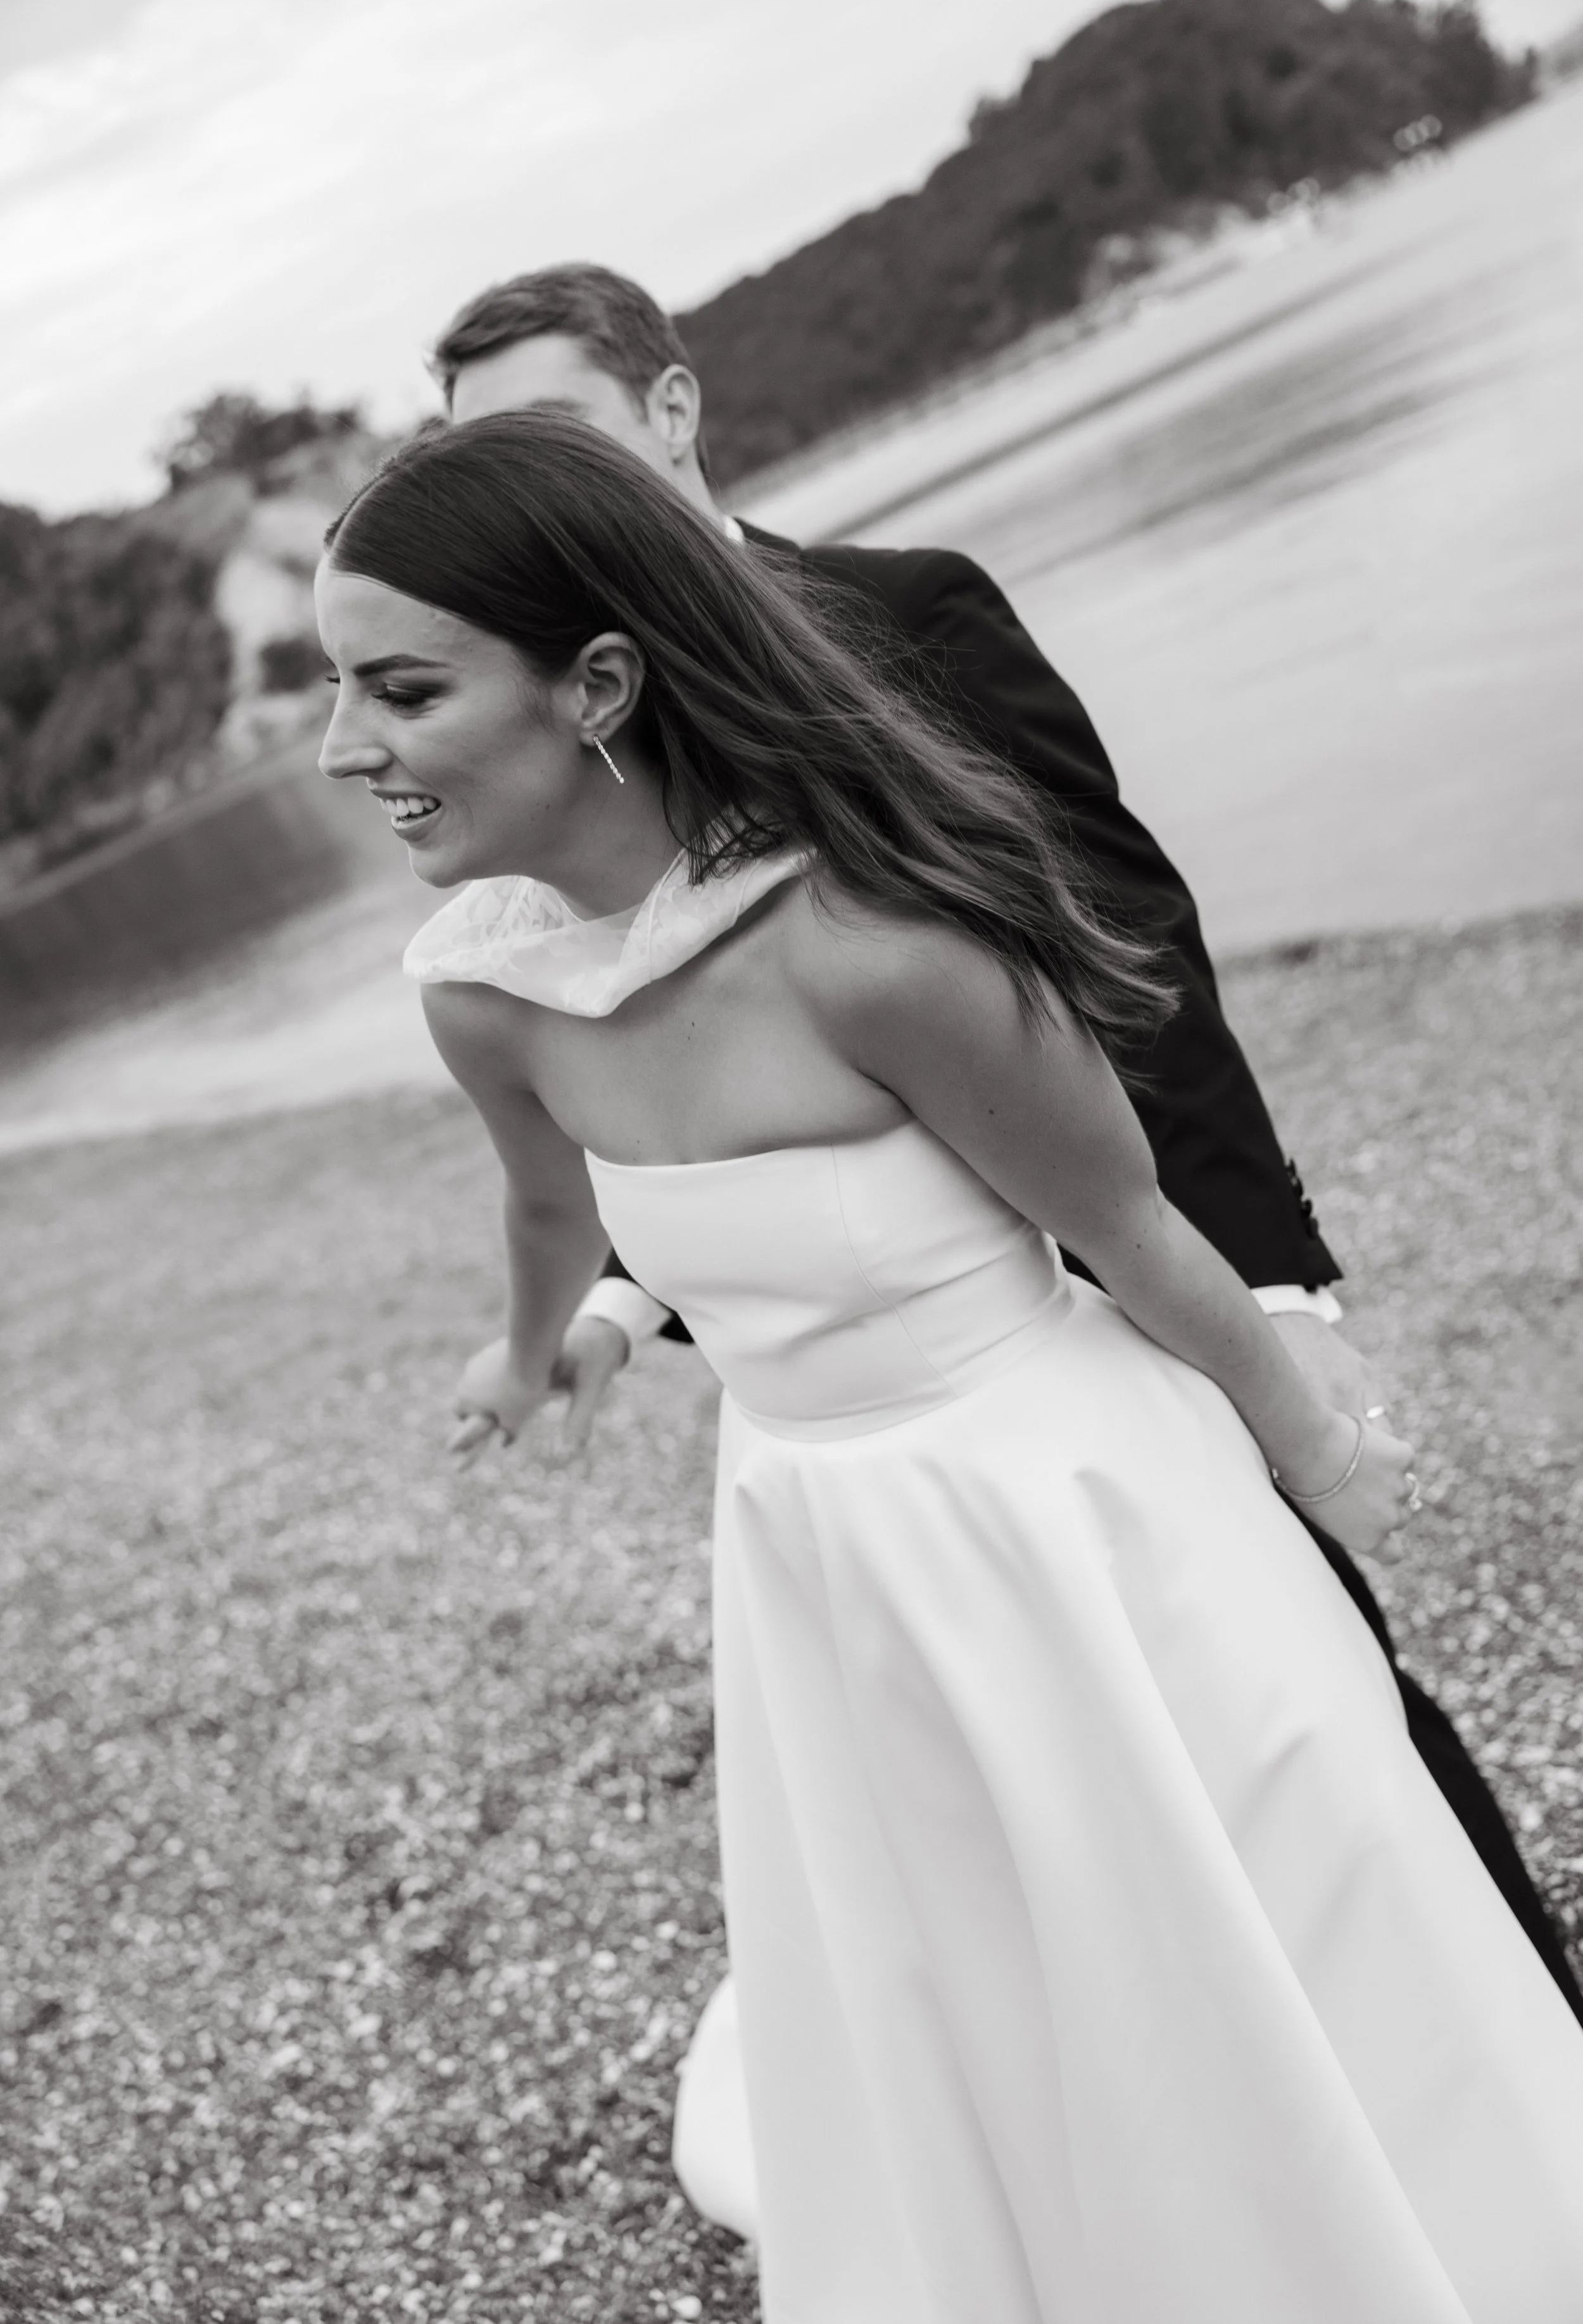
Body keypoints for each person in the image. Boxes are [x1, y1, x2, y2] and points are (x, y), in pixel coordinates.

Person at [317, 409, 1583, 2321]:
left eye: (399, 691)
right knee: (968, 1991)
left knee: (1241, 1949)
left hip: (1073, 1520)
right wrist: (528, 1359)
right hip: (813, 1550)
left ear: (594, 684)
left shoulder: (877, 944)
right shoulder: (489, 993)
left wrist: (1309, 1434)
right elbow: (556, 1217)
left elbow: (1141, 1232)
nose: (348, 752)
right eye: (338, 693)